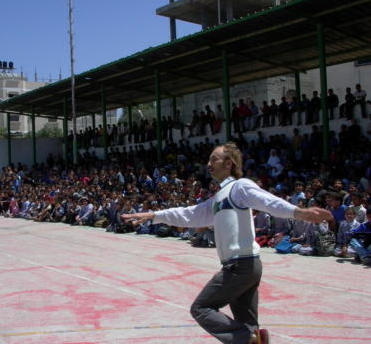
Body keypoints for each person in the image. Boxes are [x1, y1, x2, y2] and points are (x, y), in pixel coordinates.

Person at [121, 142, 332, 344]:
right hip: (245, 265)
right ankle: (251, 337)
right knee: (247, 324)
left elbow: (268, 201)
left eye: (214, 159)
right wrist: (154, 215)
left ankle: (250, 339)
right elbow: (189, 214)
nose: (209, 164)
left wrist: (298, 212)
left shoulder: (239, 187)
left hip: (240, 266)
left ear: (229, 163)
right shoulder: (218, 198)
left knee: (201, 309)